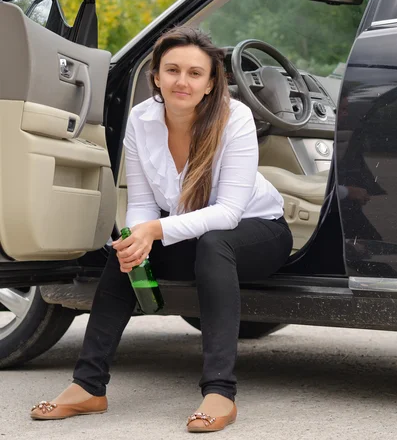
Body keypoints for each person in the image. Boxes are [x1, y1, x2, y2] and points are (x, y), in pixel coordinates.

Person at [30, 26, 293, 432]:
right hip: (191, 233)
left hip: (258, 233)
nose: (181, 81)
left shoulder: (234, 118)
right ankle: (88, 386)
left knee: (213, 244)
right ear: (155, 76)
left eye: (194, 73)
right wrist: (139, 236)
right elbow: (141, 203)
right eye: (172, 70)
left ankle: (220, 391)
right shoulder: (142, 118)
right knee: (126, 249)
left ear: (210, 82)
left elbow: (228, 213)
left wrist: (154, 229)